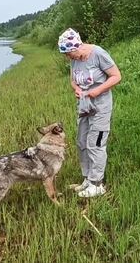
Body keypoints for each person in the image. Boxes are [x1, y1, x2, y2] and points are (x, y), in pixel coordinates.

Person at [58, 28, 121, 198]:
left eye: (69, 53)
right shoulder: (75, 60)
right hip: (84, 107)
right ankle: (87, 179)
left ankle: (97, 184)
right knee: (82, 142)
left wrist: (97, 90)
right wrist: (77, 89)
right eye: (67, 55)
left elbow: (116, 76)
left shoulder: (98, 53)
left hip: (100, 106)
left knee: (96, 143)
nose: (68, 58)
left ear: (77, 46)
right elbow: (72, 80)